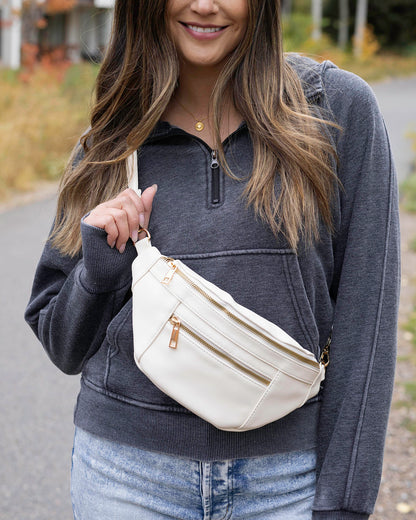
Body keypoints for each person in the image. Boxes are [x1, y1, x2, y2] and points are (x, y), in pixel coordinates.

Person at [25, 1, 400, 519]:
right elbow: (63, 344)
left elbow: (368, 319)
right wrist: (99, 273)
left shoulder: (334, 110)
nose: (204, 5)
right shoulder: (114, 137)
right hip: (126, 479)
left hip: (287, 480)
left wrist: (344, 500)